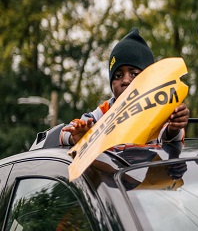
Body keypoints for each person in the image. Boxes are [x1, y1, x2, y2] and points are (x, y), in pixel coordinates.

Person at [60, 28, 189, 146]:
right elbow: (65, 132)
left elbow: (170, 137)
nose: (126, 80)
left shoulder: (158, 107)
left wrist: (174, 128)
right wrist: (76, 137)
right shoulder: (105, 112)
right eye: (118, 76)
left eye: (134, 74)